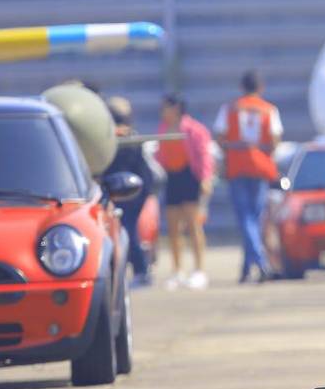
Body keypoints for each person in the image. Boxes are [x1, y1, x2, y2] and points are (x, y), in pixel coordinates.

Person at [214, 71, 282, 283]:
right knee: (254, 218)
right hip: (260, 168)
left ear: (241, 87)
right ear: (260, 88)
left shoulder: (230, 108)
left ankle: (257, 263)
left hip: (237, 167)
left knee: (245, 218)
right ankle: (250, 266)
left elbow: (219, 135)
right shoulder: (269, 109)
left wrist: (230, 151)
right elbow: (275, 139)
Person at [155, 93, 214, 289]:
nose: (162, 111)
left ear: (176, 108)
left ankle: (199, 270)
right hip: (172, 178)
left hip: (189, 177)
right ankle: (177, 270)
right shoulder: (163, 129)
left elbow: (204, 155)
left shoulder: (194, 129)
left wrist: (205, 178)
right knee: (173, 227)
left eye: (166, 107)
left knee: (193, 224)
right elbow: (160, 156)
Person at [104, 96, 159, 287]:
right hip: (128, 189)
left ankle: (141, 270)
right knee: (123, 229)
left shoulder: (123, 138)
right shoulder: (123, 136)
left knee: (127, 229)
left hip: (131, 191)